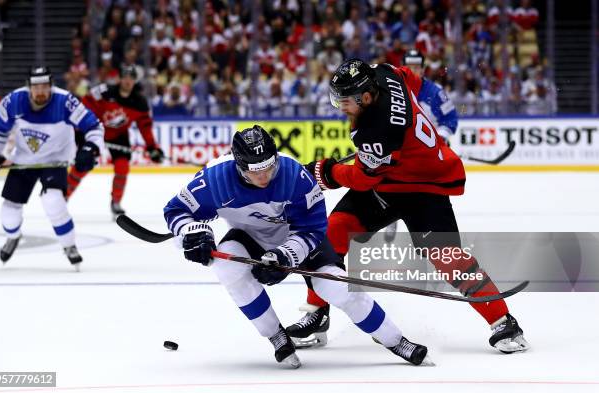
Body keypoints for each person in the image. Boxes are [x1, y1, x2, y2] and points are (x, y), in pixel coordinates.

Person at [287, 59, 529, 354]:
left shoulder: (379, 129)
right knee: (332, 232)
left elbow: (362, 179)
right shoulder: (384, 72)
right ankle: (317, 312)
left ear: (365, 97)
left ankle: (504, 322)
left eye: (345, 102)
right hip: (389, 182)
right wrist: (417, 122)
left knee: (446, 257)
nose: (341, 108)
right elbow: (416, 81)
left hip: (422, 187)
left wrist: (327, 173)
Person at [162, 125, 431, 368]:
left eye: (269, 166)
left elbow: (313, 229)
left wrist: (286, 255)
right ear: (239, 166)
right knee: (226, 268)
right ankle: (277, 336)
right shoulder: (215, 179)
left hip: (299, 237)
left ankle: (395, 340)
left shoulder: (295, 176)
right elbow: (176, 211)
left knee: (335, 287)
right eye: (255, 171)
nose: (265, 176)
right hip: (250, 236)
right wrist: (191, 232)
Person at [0, 66, 105, 269]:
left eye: (45, 86)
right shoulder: (14, 101)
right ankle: (13, 236)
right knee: (9, 211)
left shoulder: (64, 102)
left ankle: (69, 246)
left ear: (51, 86)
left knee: (53, 201)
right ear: (28, 87)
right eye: (36, 87)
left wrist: (89, 148)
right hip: (24, 160)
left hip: (56, 159)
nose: (41, 92)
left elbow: (94, 126)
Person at [66, 65, 164, 217]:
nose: (127, 81)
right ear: (119, 78)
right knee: (83, 164)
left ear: (135, 80)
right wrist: (84, 128)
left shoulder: (140, 102)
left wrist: (152, 147)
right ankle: (63, 197)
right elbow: (85, 104)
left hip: (118, 135)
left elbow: (145, 127)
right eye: (124, 77)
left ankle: (116, 202)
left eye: (131, 78)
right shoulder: (104, 91)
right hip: (94, 131)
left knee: (122, 167)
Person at [383, 50, 459, 242]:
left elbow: (449, 118)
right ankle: (391, 216)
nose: (414, 70)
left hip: (426, 154)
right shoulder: (391, 91)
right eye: (410, 66)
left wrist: (442, 135)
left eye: (417, 66)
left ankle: (428, 231)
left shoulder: (435, 93)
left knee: (426, 193)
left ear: (424, 68)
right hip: (400, 150)